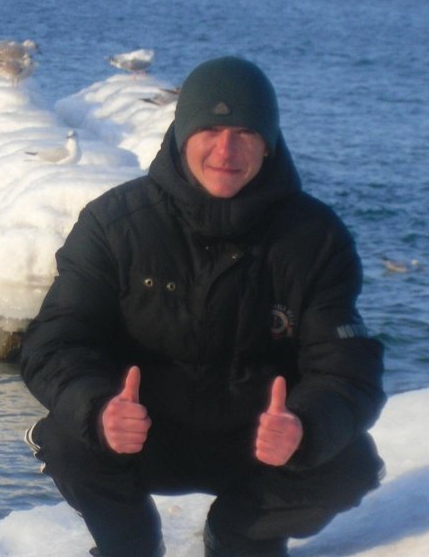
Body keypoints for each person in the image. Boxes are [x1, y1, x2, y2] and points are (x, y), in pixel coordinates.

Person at [21, 56, 386, 557]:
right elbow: (53, 342)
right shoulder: (114, 223)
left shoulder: (315, 239)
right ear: (180, 134)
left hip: (258, 445)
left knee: (350, 463)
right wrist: (99, 409)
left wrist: (303, 427)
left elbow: (347, 371)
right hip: (141, 434)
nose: (225, 150)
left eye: (245, 132)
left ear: (269, 141)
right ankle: (129, 546)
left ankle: (237, 534)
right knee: (68, 435)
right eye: (209, 129)